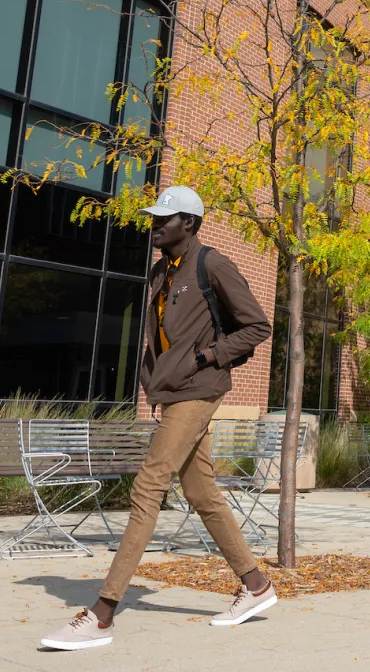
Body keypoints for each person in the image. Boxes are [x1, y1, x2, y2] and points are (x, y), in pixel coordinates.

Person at [41, 186, 274, 651]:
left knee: (149, 485)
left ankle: (102, 613)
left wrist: (208, 356)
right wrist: (156, 381)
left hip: (200, 390)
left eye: (165, 219)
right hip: (174, 393)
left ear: (189, 222)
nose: (155, 225)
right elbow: (159, 341)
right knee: (201, 492)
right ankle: (256, 587)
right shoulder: (160, 273)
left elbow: (257, 325)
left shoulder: (212, 264)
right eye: (154, 218)